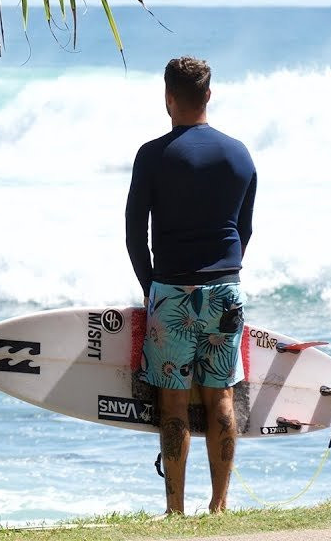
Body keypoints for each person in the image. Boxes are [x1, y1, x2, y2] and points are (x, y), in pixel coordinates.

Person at [124, 56, 257, 516]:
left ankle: (175, 511)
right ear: (208, 95)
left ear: (168, 97)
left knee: (174, 401)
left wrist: (150, 287)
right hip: (225, 289)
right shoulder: (239, 154)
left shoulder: (153, 155)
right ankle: (220, 506)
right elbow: (245, 229)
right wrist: (225, 274)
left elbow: (133, 231)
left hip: (172, 291)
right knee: (220, 394)